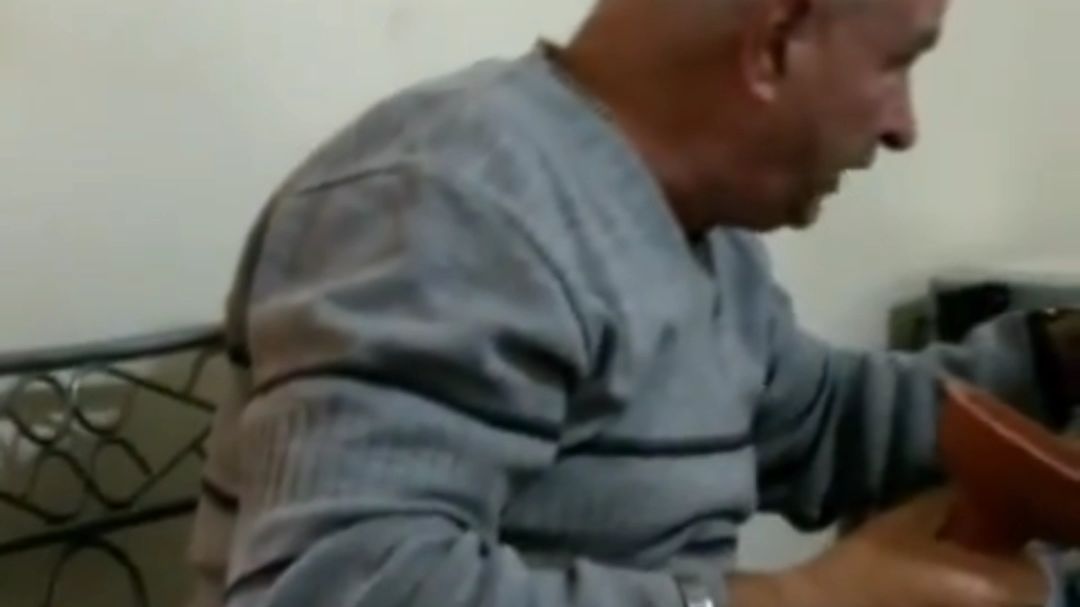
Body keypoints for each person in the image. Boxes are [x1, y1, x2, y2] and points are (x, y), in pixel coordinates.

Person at [187, 0, 1079, 606]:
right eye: (898, 62)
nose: (903, 125)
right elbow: (335, 585)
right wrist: (797, 598)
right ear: (774, 42)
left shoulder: (700, 236)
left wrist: (1062, 353)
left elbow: (823, 424)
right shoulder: (454, 198)